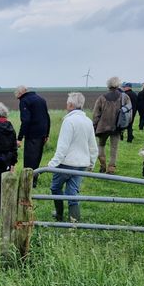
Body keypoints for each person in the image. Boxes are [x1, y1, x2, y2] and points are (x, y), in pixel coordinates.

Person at [47, 92, 98, 222]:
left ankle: (59, 215)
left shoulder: (69, 121)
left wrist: (52, 164)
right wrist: (92, 163)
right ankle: (74, 220)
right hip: (82, 164)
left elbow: (63, 146)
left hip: (66, 163)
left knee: (55, 188)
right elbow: (93, 145)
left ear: (70, 105)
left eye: (67, 103)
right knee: (72, 192)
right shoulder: (88, 121)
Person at [14, 85, 50, 187]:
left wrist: (19, 138)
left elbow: (25, 120)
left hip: (32, 135)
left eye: (17, 97)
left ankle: (28, 184)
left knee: (29, 161)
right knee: (37, 159)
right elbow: (47, 117)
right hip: (42, 134)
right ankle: (34, 182)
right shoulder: (41, 99)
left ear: (20, 93)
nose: (18, 99)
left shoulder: (24, 101)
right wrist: (47, 134)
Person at [92, 76, 128, 174]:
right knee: (114, 148)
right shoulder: (124, 97)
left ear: (108, 85)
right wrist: (125, 125)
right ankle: (111, 168)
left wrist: (94, 125)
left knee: (101, 145)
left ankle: (102, 164)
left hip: (102, 127)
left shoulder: (101, 98)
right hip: (117, 127)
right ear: (118, 84)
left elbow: (96, 114)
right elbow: (128, 112)